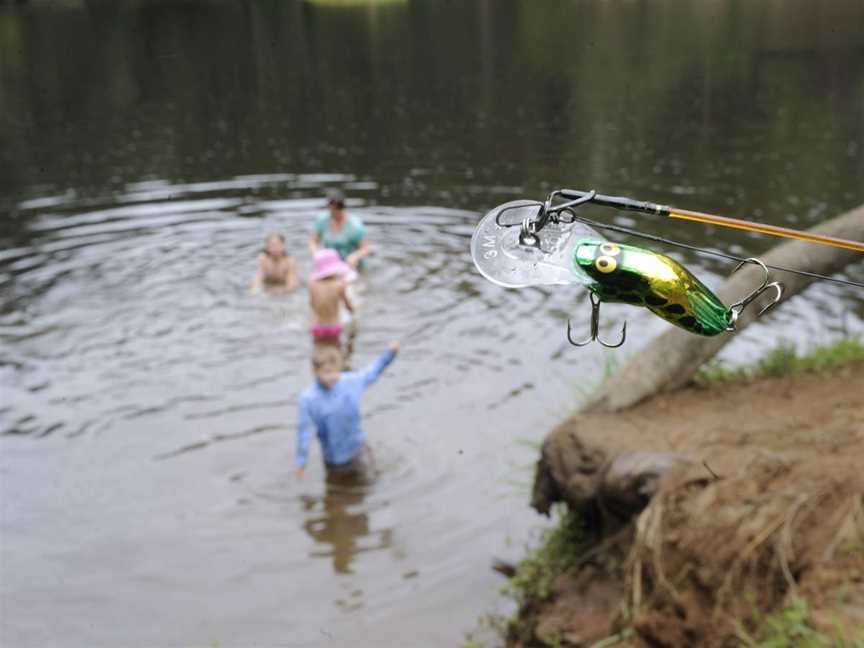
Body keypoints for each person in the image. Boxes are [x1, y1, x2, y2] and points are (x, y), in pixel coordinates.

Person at [296, 341, 400, 483]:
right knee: (336, 495)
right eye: (326, 373)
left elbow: (373, 371)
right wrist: (302, 462)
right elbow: (304, 431)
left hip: (358, 450)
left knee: (370, 486)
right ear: (315, 372)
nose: (332, 377)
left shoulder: (351, 382)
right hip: (333, 459)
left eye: (335, 371)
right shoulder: (308, 399)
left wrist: (390, 353)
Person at [309, 188, 370, 269]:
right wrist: (316, 253)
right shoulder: (322, 220)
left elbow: (365, 248)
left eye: (338, 209)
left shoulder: (355, 225)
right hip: (330, 264)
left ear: (342, 207)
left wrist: (354, 256)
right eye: (332, 209)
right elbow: (313, 241)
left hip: (352, 266)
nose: (335, 212)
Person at [309, 249, 356, 342]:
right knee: (335, 352)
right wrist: (353, 311)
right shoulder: (339, 285)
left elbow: (312, 304)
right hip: (333, 327)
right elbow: (348, 307)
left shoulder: (312, 285)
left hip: (317, 327)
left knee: (319, 351)